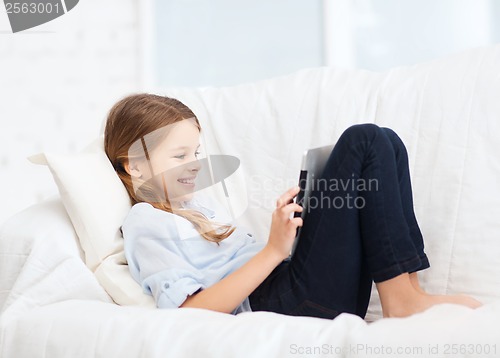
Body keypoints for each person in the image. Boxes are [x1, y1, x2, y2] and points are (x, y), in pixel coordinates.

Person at [104, 93, 482, 319]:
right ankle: (401, 300)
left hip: (300, 285)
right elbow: (190, 312)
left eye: (197, 153)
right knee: (363, 141)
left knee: (387, 143)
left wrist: (290, 234)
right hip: (284, 300)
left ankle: (407, 288)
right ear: (134, 165)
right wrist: (272, 250)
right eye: (179, 155)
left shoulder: (198, 205)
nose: (195, 165)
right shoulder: (146, 221)